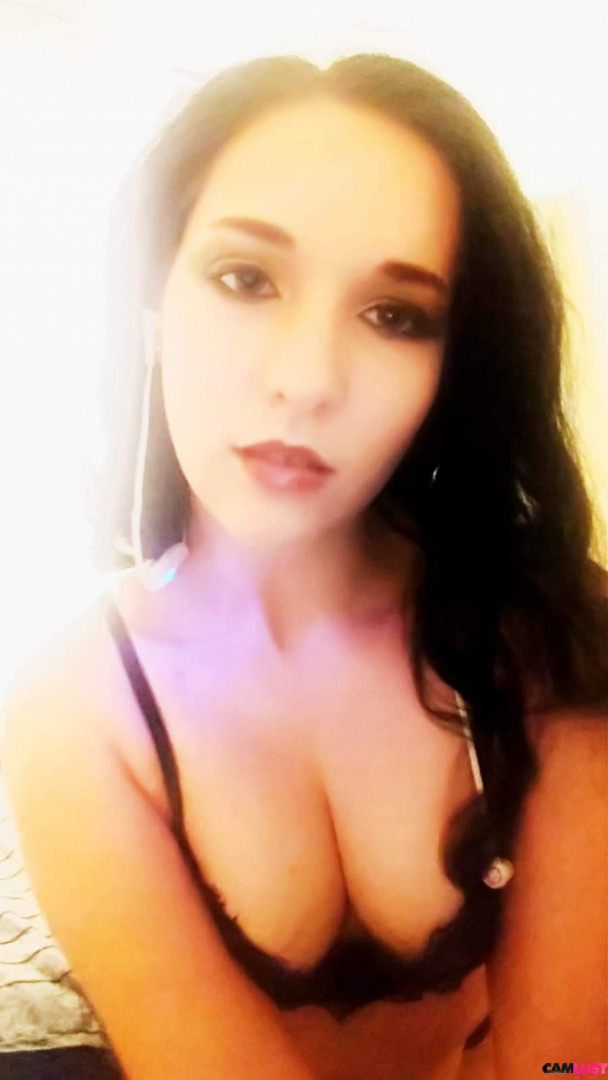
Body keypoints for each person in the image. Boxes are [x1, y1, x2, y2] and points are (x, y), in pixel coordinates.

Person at [1, 52, 607, 1080]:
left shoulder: (550, 630)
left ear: (450, 364)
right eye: (245, 278)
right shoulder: (75, 709)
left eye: (394, 314)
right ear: (153, 308)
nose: (305, 378)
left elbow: (571, 1066)